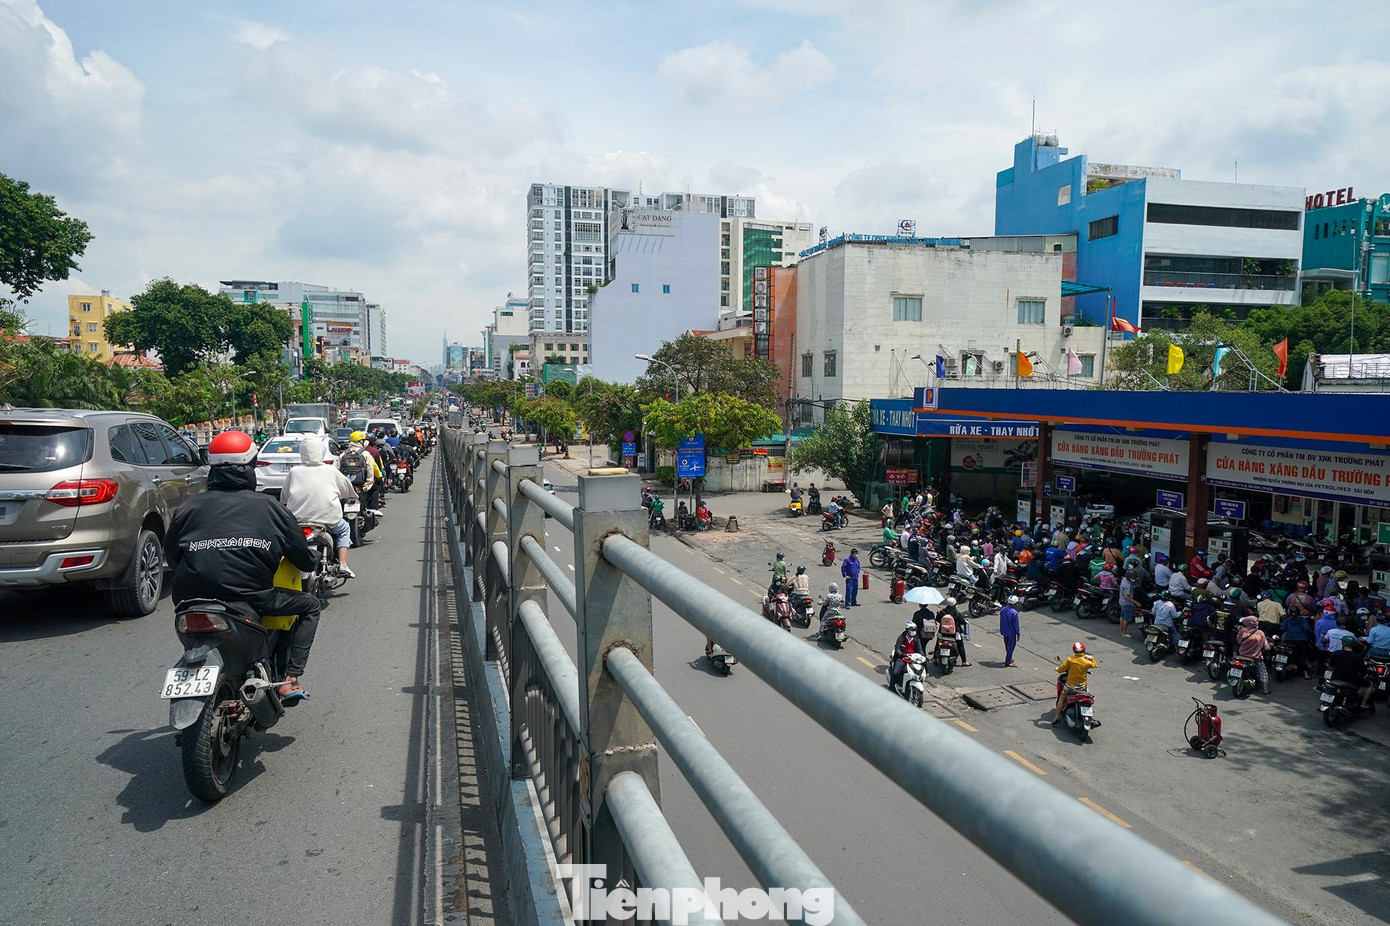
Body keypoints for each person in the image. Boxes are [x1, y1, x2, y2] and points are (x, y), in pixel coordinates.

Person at [164, 430, 319, 703]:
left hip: (190, 600)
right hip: (252, 597)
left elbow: (172, 556)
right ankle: (291, 678)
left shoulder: (188, 506)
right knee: (309, 605)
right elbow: (303, 558)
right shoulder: (270, 507)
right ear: (250, 466)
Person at [280, 437, 358, 577]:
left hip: (297, 520)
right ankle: (343, 564)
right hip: (328, 519)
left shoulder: (294, 471)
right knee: (344, 528)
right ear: (322, 451)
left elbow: (284, 497)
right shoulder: (330, 470)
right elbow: (347, 489)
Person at [1054, 642, 1099, 724]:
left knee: (1061, 698)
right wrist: (1091, 658)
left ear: (1074, 650)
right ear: (1084, 650)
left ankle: (1056, 716)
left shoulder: (1070, 660)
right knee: (1087, 696)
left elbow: (1062, 669)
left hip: (1070, 686)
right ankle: (1091, 718)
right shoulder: (1086, 661)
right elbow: (1095, 665)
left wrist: (1057, 669)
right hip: (1082, 687)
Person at [1328, 640, 1376, 712]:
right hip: (1351, 680)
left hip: (1335, 678)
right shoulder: (1357, 657)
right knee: (1369, 684)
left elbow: (1331, 666)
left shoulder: (1336, 653)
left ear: (1343, 644)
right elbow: (1363, 671)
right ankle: (1363, 704)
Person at [1236, 615, 1272, 695]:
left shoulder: (1242, 630)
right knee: (1263, 671)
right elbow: (1266, 647)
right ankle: (1265, 689)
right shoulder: (1261, 633)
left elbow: (1239, 641)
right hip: (1255, 657)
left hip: (1242, 655)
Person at [1279, 608, 1316, 679]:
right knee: (1304, 655)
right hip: (1301, 640)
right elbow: (1306, 629)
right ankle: (1306, 674)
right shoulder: (1302, 620)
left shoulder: (1287, 620)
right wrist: (1313, 633)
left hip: (1288, 640)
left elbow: (1282, 629)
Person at [889, 621, 920, 692]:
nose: (913, 631)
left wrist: (923, 656)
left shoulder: (916, 639)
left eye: (914, 629)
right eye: (911, 630)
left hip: (913, 658)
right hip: (902, 658)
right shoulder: (901, 637)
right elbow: (897, 648)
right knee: (896, 672)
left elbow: (919, 649)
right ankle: (891, 687)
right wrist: (901, 654)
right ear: (907, 630)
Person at [1000, 595, 1021, 667]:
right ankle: (1008, 661)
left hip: (1004, 631)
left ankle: (1009, 658)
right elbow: (1016, 625)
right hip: (1011, 633)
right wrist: (1018, 633)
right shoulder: (1014, 612)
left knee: (1007, 645)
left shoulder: (1003, 609)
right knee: (1011, 647)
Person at [1118, 568, 1137, 639]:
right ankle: (1124, 632)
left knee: (1122, 616)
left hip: (1121, 601)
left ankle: (1121, 630)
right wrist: (1135, 602)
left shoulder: (1123, 580)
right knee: (1127, 618)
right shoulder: (1128, 585)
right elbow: (1126, 596)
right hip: (1127, 603)